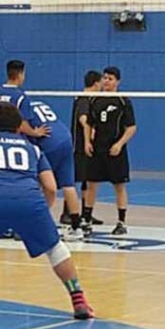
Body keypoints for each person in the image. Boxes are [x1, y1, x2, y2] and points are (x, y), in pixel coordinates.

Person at [0, 103, 93, 321]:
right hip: (31, 202)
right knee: (55, 248)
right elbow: (51, 187)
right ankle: (79, 301)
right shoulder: (33, 149)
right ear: (19, 127)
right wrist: (41, 210)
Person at [85, 66, 137, 235]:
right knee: (91, 184)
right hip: (97, 148)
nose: (107, 81)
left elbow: (131, 128)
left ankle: (121, 222)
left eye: (110, 78)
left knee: (119, 186)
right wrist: (87, 141)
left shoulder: (123, 101)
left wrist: (119, 144)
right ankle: (87, 220)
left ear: (117, 82)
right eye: (105, 78)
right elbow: (89, 124)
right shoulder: (94, 100)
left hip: (115, 150)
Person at [25, 98, 84, 241]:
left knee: (36, 183)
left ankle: (35, 222)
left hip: (48, 143)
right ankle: (76, 227)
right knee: (68, 185)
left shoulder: (20, 110)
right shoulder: (39, 102)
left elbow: (23, 129)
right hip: (65, 139)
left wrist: (34, 133)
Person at [66, 70, 103, 228]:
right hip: (79, 147)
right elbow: (83, 119)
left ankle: (85, 213)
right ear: (95, 83)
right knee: (74, 179)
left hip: (86, 146)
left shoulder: (91, 99)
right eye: (101, 82)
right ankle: (68, 213)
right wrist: (88, 138)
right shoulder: (83, 99)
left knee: (87, 179)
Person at [0, 59, 49, 140]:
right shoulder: (21, 97)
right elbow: (22, 124)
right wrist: (35, 133)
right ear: (20, 75)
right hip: (15, 140)